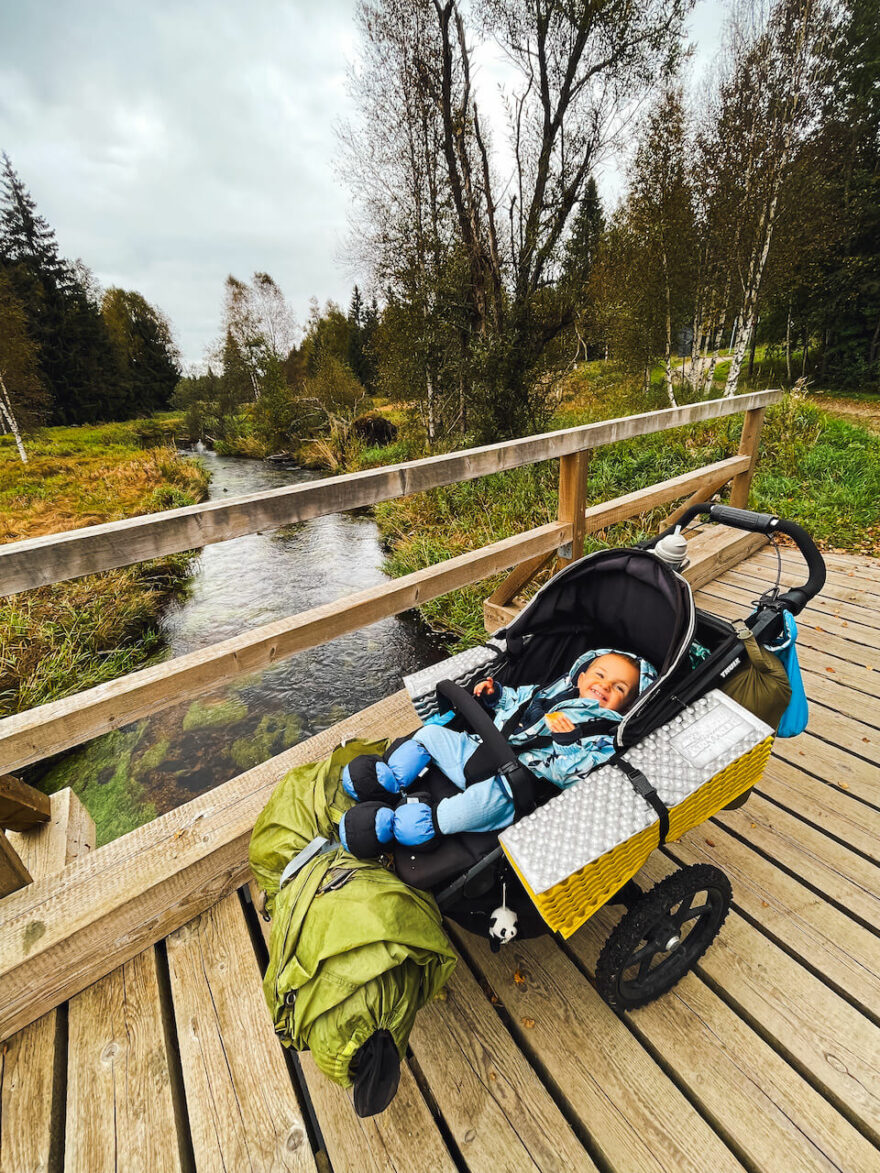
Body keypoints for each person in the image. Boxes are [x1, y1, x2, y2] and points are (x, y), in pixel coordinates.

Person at [339, 649, 656, 856]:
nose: (605, 686)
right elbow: (518, 701)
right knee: (430, 734)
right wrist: (497, 696)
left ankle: (416, 825)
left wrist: (568, 745)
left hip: (514, 786)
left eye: (619, 688)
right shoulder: (550, 692)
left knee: (474, 806)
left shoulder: (603, 733)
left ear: (626, 705)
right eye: (600, 675)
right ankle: (389, 779)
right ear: (582, 676)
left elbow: (578, 780)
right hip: (481, 748)